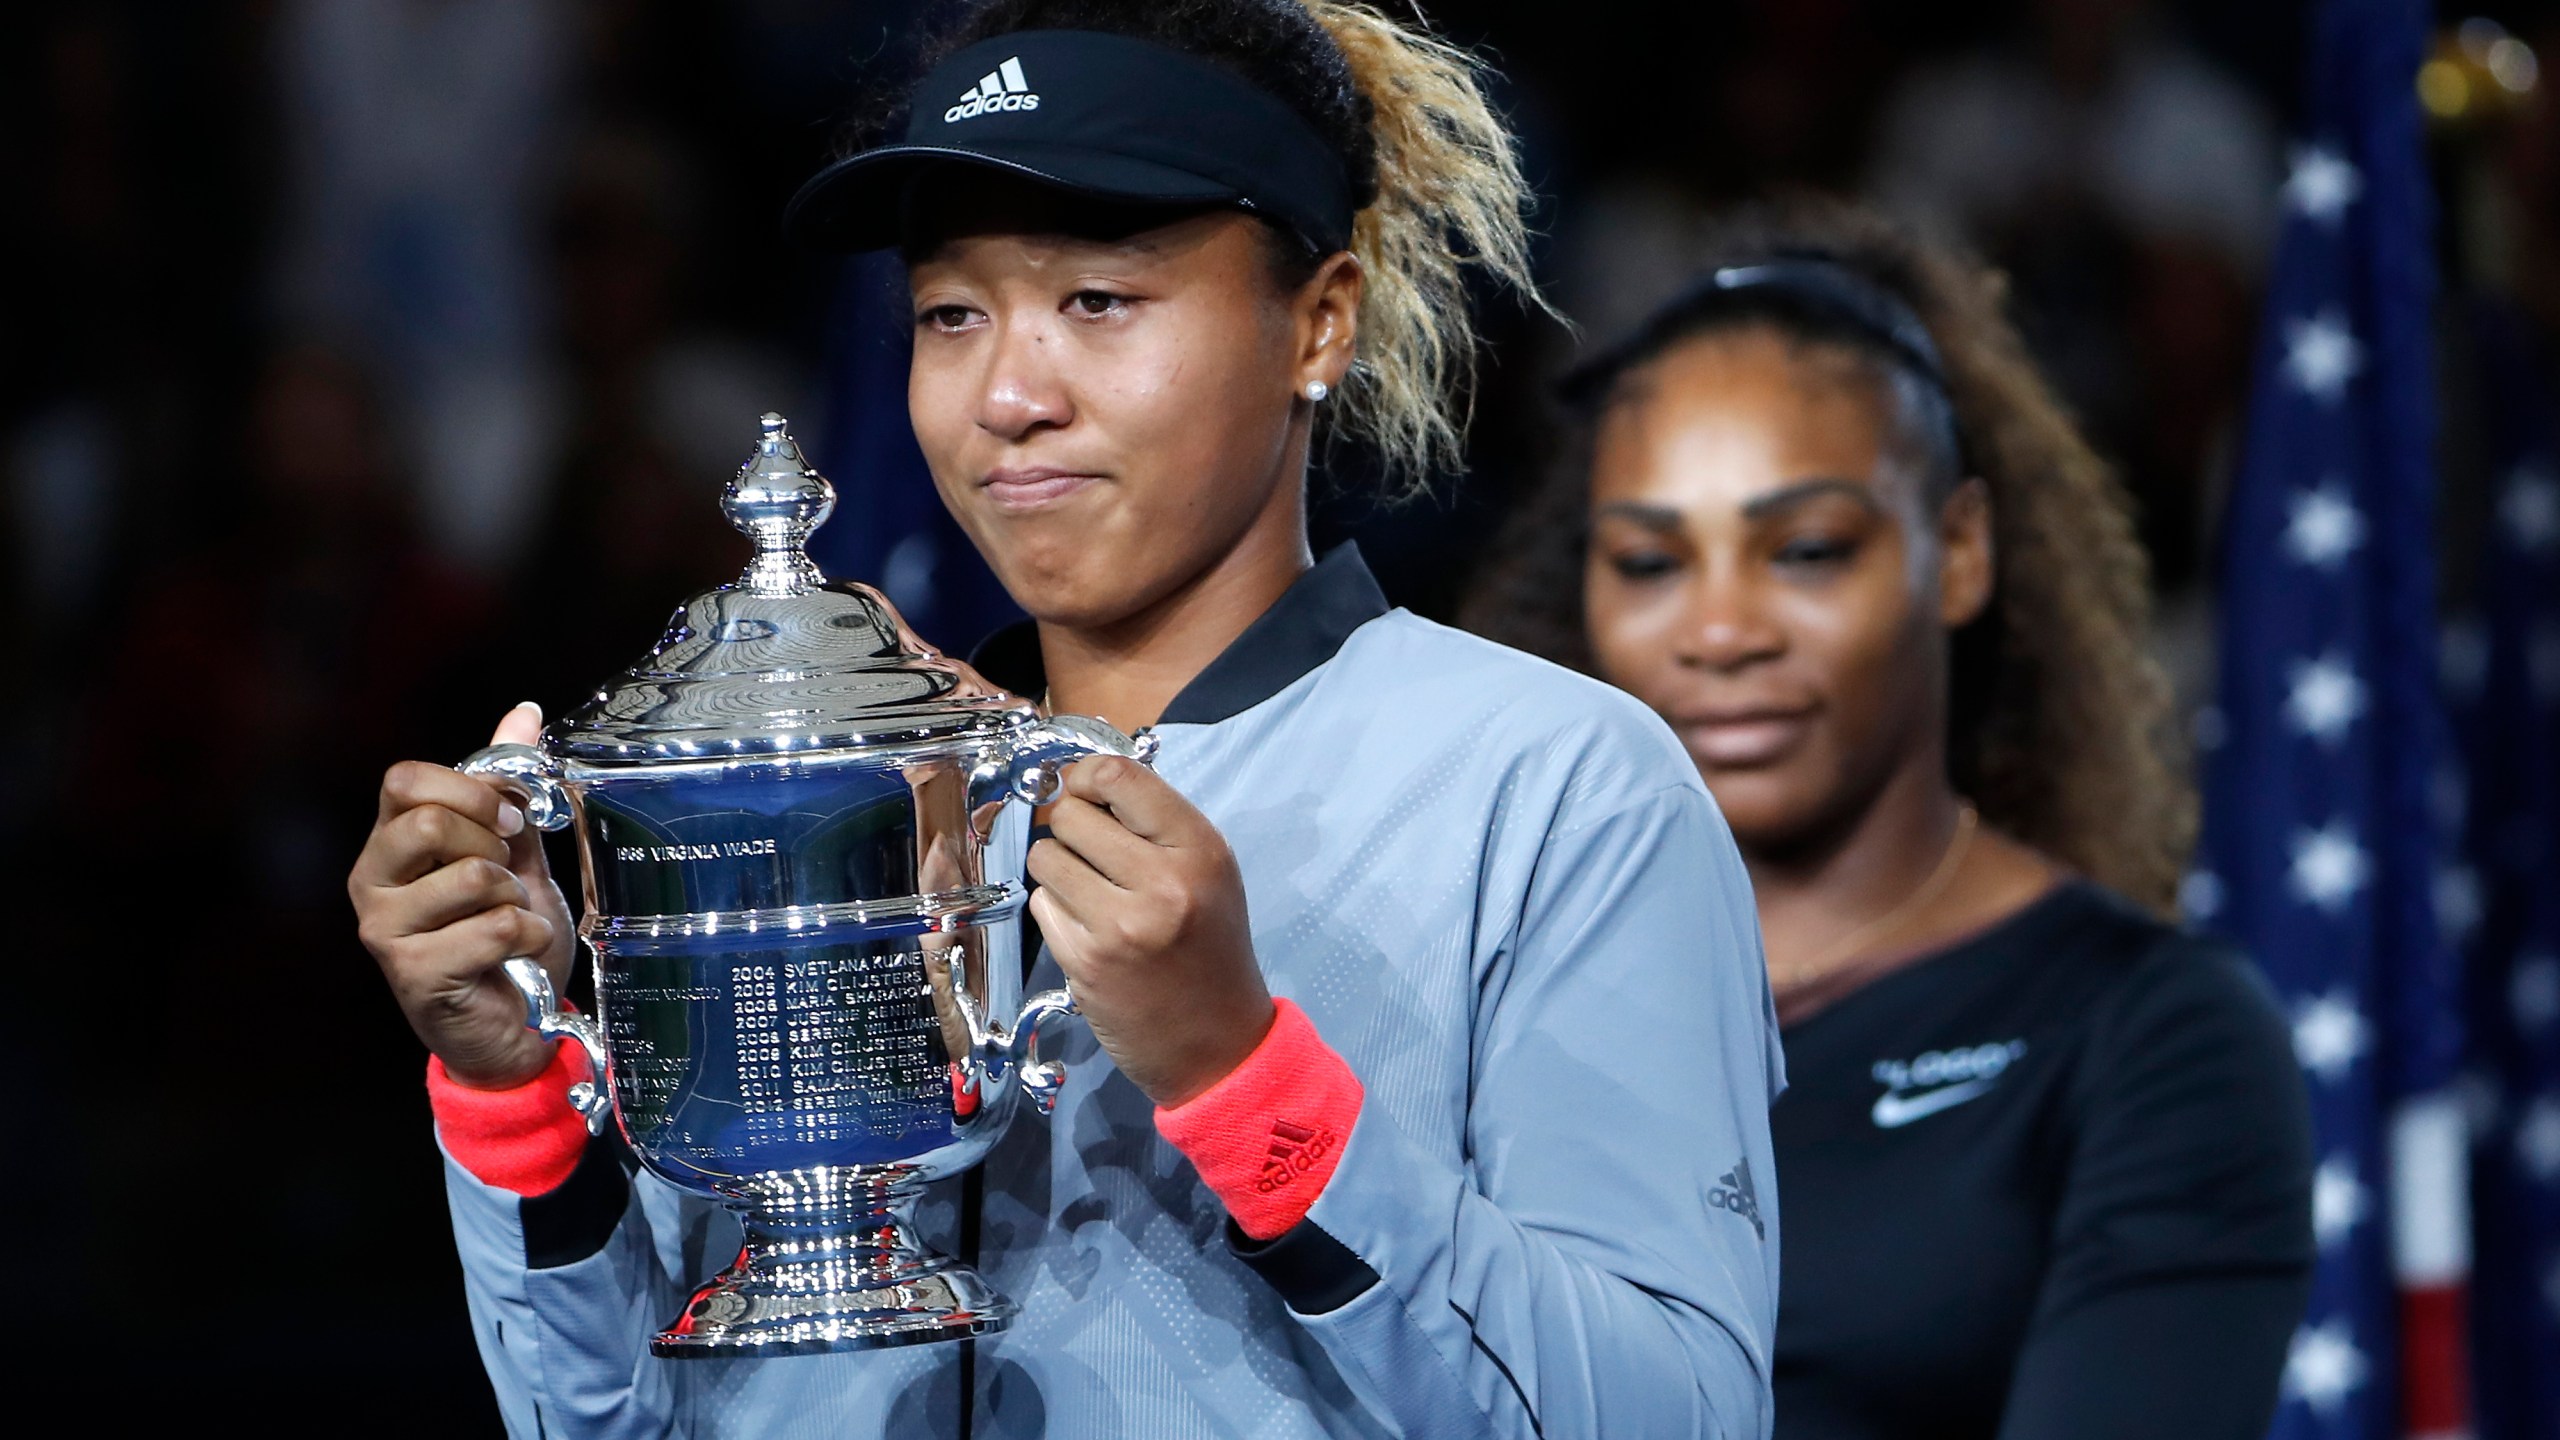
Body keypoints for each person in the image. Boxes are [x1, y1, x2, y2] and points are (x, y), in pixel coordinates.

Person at [348, 3, 1783, 1436]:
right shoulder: (827, 795)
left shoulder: (1560, 791)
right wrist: (519, 1097)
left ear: (1319, 321)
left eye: (1100, 301)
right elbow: (619, 1424)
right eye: (950, 316)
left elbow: (1681, 1417)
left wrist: (1247, 1078)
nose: (1009, 397)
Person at [1465, 200, 2313, 1440]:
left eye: (1804, 550)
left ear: (1958, 550)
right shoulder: (1486, 990)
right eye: (1650, 562)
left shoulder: (2155, 1035)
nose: (1719, 631)